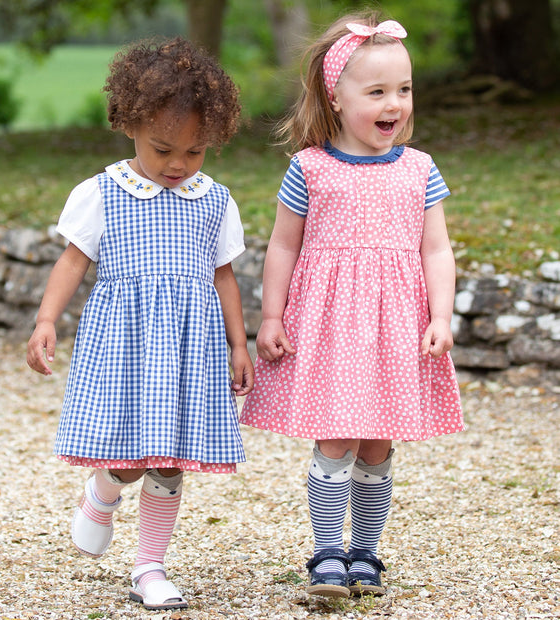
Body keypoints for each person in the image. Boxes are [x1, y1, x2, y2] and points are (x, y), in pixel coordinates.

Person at [240, 12, 464, 599]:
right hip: (331, 325)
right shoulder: (311, 168)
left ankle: (365, 552)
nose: (396, 104)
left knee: (378, 442)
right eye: (378, 92)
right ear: (335, 97)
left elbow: (436, 249)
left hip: (397, 325)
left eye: (405, 89)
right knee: (336, 436)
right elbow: (283, 245)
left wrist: (441, 315)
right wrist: (271, 316)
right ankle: (326, 554)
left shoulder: (418, 169)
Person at [27, 37, 254, 611]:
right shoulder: (103, 192)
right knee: (129, 458)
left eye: (195, 152)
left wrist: (238, 344)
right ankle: (104, 489)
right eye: (163, 149)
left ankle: (149, 566)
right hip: (127, 346)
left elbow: (224, 276)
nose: (179, 165)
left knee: (170, 459)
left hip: (188, 348)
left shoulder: (214, 201)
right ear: (130, 124)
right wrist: (46, 320)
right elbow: (73, 260)